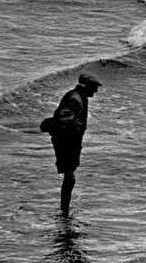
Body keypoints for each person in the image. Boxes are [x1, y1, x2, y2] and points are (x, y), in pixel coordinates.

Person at [40, 74, 101, 215]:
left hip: (69, 141)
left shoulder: (78, 97)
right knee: (70, 177)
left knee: (70, 176)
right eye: (94, 88)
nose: (96, 91)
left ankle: (64, 209)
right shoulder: (75, 99)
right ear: (85, 87)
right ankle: (64, 210)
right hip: (66, 142)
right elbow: (63, 120)